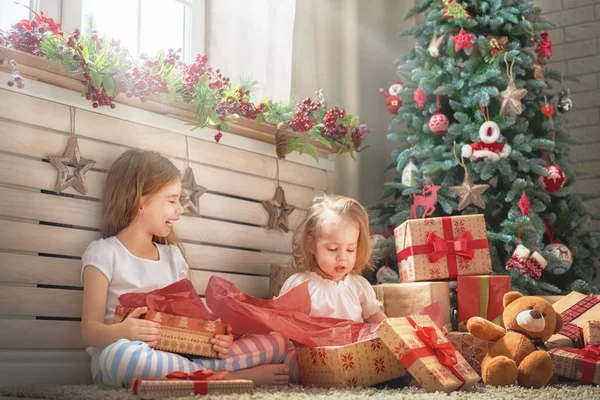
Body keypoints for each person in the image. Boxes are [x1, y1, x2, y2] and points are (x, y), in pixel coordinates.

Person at [81, 149, 294, 387]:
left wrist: (218, 338)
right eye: (172, 200)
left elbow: (193, 321)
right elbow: (90, 331)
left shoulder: (173, 257)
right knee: (121, 357)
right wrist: (125, 331)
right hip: (130, 355)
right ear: (140, 203)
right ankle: (229, 378)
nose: (179, 209)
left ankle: (197, 374)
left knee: (278, 341)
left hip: (181, 357)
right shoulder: (104, 253)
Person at [279, 194, 386, 323]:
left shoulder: (358, 286)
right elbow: (282, 322)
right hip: (313, 343)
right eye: (333, 249)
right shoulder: (299, 285)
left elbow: (379, 320)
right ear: (311, 245)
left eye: (350, 249)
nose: (342, 257)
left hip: (353, 343)